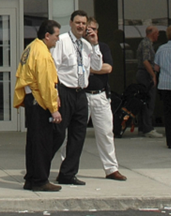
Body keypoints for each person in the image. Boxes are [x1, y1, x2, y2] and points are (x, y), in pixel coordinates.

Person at [14, 19, 62, 192]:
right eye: (56, 36)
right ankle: (40, 179)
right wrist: (54, 108)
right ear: (47, 35)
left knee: (34, 142)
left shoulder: (31, 48)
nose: (58, 39)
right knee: (43, 141)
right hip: (39, 100)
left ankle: (32, 178)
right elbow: (45, 83)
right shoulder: (41, 53)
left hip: (32, 99)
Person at [49, 10, 91, 185]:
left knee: (78, 136)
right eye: (78, 22)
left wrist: (95, 44)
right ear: (71, 23)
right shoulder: (62, 42)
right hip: (64, 91)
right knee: (57, 135)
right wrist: (55, 94)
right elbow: (53, 68)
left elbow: (95, 66)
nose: (81, 26)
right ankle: (40, 169)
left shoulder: (87, 46)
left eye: (83, 23)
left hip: (81, 93)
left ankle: (68, 174)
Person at [83, 19, 125, 181]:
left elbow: (108, 68)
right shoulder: (78, 47)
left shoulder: (103, 47)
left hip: (100, 95)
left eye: (93, 29)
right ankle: (67, 168)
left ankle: (111, 169)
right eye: (87, 29)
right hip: (82, 95)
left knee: (106, 133)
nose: (90, 32)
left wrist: (88, 68)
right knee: (74, 133)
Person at [135, 26, 162, 138]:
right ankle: (148, 128)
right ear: (152, 33)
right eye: (157, 33)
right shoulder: (146, 44)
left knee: (143, 101)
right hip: (145, 74)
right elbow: (146, 60)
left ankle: (142, 127)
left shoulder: (145, 43)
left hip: (143, 73)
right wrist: (153, 75)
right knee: (148, 101)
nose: (158, 35)